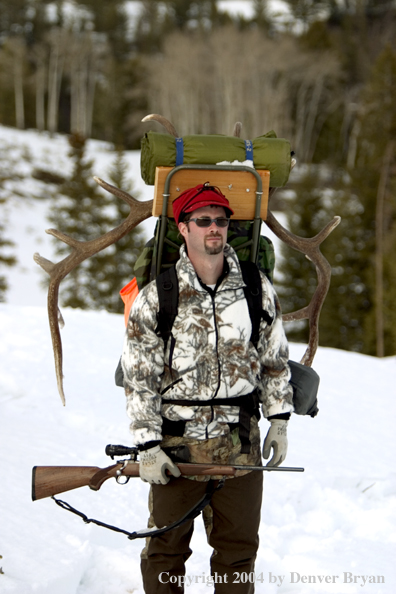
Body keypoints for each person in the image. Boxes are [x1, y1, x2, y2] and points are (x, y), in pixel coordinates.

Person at [121, 183, 294, 593]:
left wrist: (280, 419)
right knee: (165, 552)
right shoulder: (158, 295)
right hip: (177, 447)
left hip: (242, 445)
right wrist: (147, 446)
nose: (213, 228)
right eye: (203, 220)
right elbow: (140, 378)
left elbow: (274, 359)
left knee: (237, 553)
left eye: (220, 220)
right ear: (183, 228)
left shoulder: (255, 287)